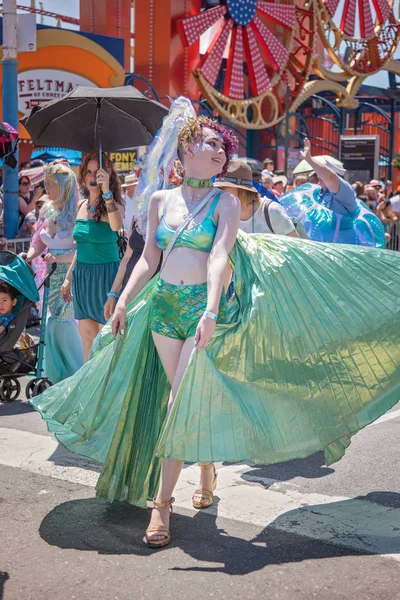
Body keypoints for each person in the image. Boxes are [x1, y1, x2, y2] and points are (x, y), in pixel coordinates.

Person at [31, 98, 400, 552]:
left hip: (199, 311)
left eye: (222, 146)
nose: (221, 151)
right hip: (162, 310)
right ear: (185, 152)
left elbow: (220, 258)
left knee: (176, 403)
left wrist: (209, 311)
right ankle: (205, 469)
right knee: (178, 397)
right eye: (211, 144)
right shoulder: (160, 201)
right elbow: (149, 258)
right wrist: (124, 298)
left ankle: (161, 506)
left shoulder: (225, 201)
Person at [21, 163, 84, 383]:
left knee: (63, 324)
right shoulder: (47, 210)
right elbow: (38, 243)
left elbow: (81, 249)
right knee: (51, 324)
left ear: (64, 185)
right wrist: (28, 256)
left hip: (71, 274)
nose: (46, 188)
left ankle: (77, 373)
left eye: (50, 184)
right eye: (45, 184)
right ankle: (58, 376)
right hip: (51, 275)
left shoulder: (78, 210)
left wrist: (58, 258)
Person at [62, 153, 124, 361]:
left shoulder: (114, 205)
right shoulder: (81, 206)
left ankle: (108, 391)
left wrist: (106, 191)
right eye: (88, 172)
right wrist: (68, 278)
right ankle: (88, 392)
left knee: (106, 342)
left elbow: (116, 226)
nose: (92, 177)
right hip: (83, 278)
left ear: (107, 175)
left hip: (106, 278)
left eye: (97, 172)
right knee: (87, 341)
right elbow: (80, 249)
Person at [214, 160, 298, 237]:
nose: (218, 192)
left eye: (222, 187)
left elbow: (297, 248)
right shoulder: (223, 213)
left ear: (241, 189)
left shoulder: (271, 211)